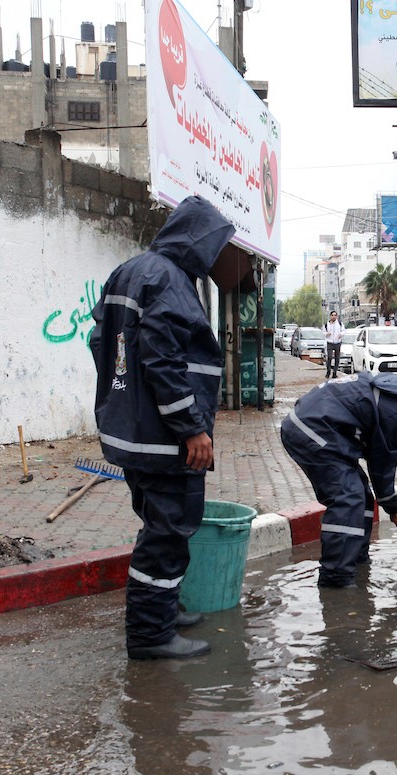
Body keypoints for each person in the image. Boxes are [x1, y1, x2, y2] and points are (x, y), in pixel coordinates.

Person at [90, 195, 236, 661]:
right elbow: (163, 358)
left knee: (158, 523)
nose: (215, 255)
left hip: (133, 431)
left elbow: (101, 340)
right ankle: (151, 634)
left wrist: (123, 390)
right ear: (196, 239)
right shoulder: (170, 280)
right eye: (214, 244)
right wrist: (191, 427)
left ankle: (164, 610)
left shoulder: (130, 271)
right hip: (165, 440)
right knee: (168, 533)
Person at [280, 370, 397, 588]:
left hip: (323, 430)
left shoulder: (395, 391)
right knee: (348, 498)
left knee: (362, 495)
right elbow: (382, 465)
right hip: (310, 431)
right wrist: (392, 506)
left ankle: (356, 562)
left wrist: (389, 504)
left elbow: (379, 464)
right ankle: (337, 581)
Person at [323, 310, 345, 379]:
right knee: (329, 357)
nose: (333, 317)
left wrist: (341, 334)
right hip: (329, 342)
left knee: (337, 358)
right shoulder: (327, 324)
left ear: (337, 316)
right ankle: (328, 371)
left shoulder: (340, 324)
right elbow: (323, 332)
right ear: (330, 316)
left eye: (335, 315)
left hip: (337, 342)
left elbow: (344, 331)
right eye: (332, 315)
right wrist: (327, 334)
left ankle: (335, 372)